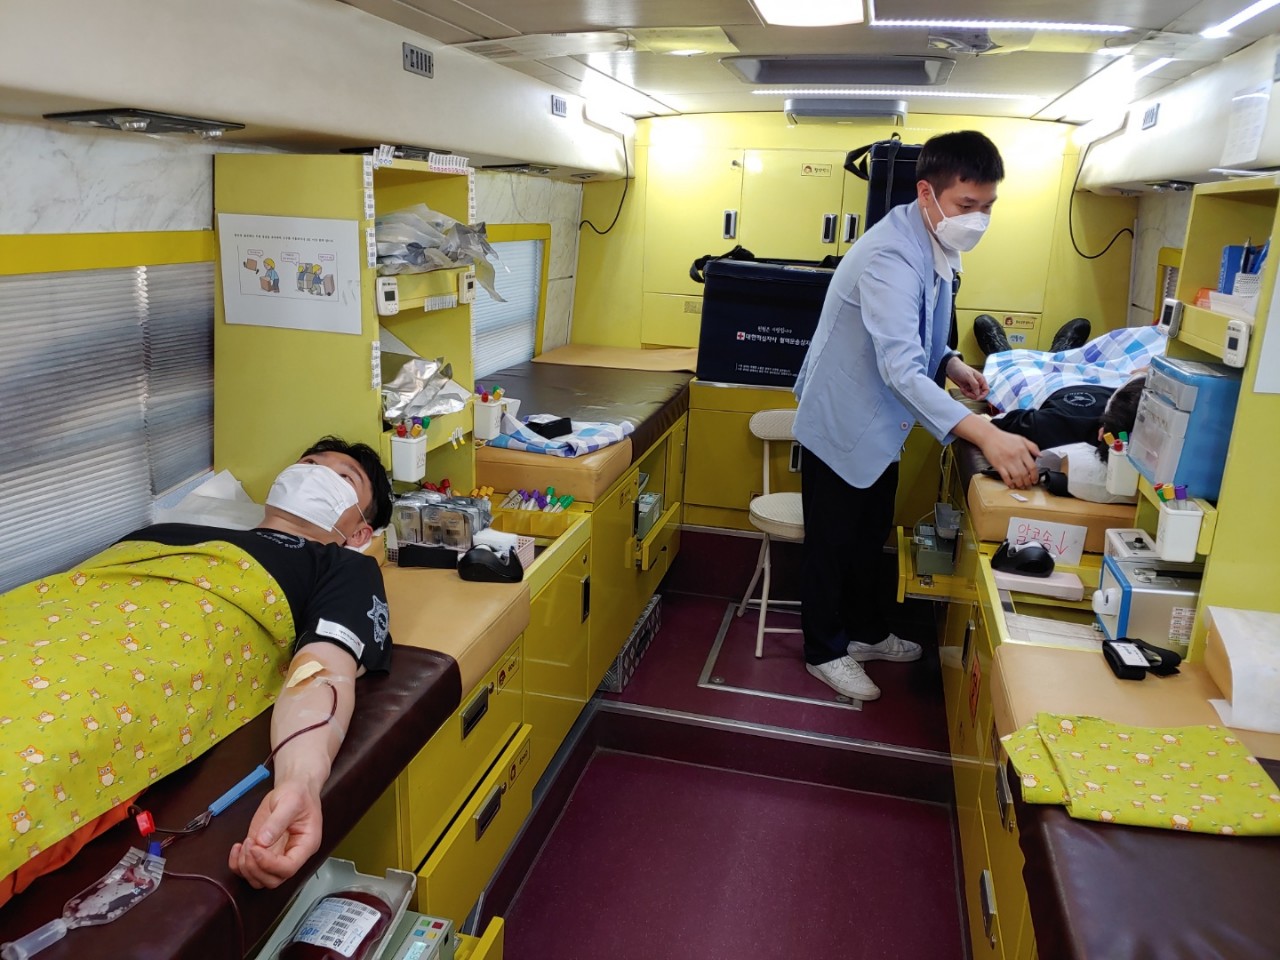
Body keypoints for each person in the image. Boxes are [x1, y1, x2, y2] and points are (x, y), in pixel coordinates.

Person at [0, 437, 394, 902]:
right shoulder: (166, 532)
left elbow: (322, 670)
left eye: (344, 477)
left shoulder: (339, 566)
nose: (314, 473)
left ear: (360, 534)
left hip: (117, 673)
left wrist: (300, 780)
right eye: (308, 462)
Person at [792, 130, 1040, 704]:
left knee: (868, 534)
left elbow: (920, 331)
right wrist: (985, 433)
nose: (977, 220)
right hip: (843, 421)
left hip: (882, 424)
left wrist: (951, 363)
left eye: (988, 207)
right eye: (967, 205)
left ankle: (865, 632)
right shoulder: (891, 255)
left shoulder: (932, 241)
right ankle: (823, 650)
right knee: (832, 543)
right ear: (927, 192)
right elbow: (901, 368)